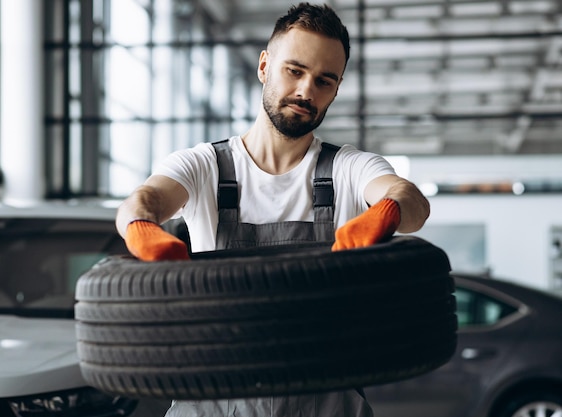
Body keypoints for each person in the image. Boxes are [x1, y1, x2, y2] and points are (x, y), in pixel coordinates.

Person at [116, 3, 430, 416]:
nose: (306, 91)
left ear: (336, 90)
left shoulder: (347, 167)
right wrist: (145, 231)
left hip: (325, 403)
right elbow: (144, 200)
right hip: (213, 402)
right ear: (265, 65)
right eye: (294, 71)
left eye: (324, 81)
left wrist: (385, 211)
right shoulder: (204, 165)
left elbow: (411, 200)